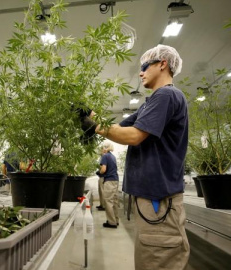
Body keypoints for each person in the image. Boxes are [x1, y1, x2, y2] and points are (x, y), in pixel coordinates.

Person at [81, 44, 190, 269]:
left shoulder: (167, 95)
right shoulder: (150, 103)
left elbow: (132, 136)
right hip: (151, 199)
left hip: (159, 202)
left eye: (144, 66)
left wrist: (94, 125)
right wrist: (88, 114)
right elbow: (118, 128)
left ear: (163, 64)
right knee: (148, 260)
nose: (140, 72)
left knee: (157, 262)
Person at [99, 141, 119, 228]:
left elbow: (103, 169)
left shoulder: (105, 156)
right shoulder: (113, 156)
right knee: (114, 201)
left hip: (109, 180)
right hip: (115, 180)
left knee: (108, 201)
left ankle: (111, 222)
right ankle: (116, 220)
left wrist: (99, 172)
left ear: (105, 148)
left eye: (102, 148)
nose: (102, 150)